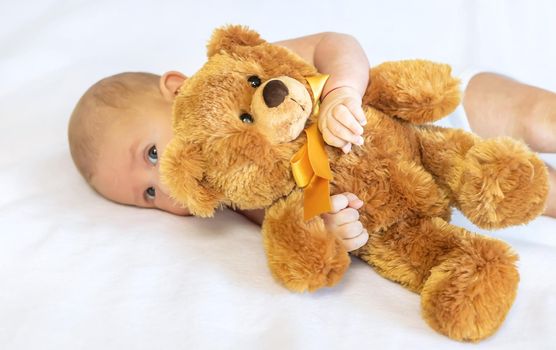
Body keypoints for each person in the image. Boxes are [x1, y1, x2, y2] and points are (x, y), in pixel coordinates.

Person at [68, 32, 556, 252]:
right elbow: (300, 220)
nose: (165, 184)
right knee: (541, 195)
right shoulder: (241, 195)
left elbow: (334, 43)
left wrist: (343, 90)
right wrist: (330, 231)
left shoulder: (254, 72)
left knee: (539, 118)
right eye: (148, 195)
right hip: (424, 187)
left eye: (151, 155)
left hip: (434, 109)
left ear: (176, 88)